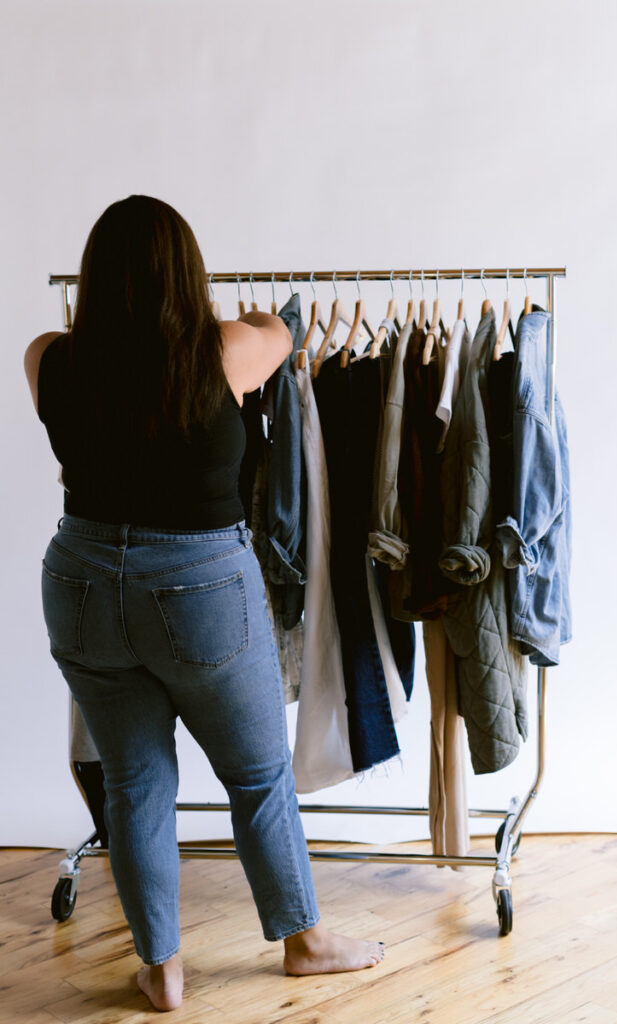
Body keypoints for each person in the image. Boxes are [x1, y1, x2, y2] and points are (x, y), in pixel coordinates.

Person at [24, 195, 384, 1013]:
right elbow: (282, 331)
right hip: (195, 585)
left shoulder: (49, 356)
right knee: (256, 774)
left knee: (133, 780)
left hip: (79, 581)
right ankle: (305, 941)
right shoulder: (221, 351)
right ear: (185, 276)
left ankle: (161, 968)